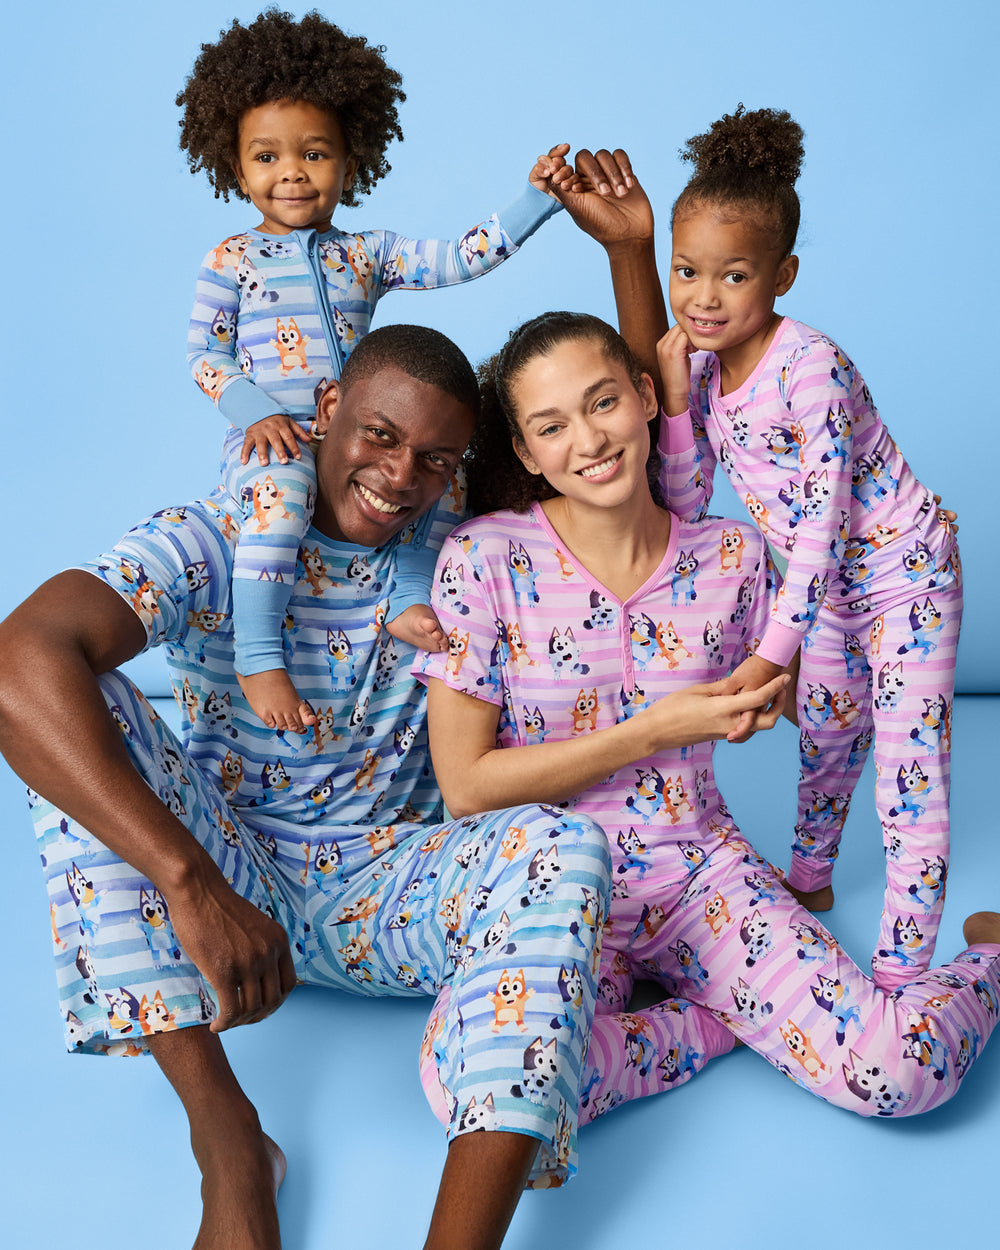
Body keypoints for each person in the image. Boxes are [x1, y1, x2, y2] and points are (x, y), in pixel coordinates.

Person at [0, 324, 613, 1250]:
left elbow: (631, 442)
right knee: (73, 703)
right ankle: (231, 1143)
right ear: (327, 411)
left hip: (394, 885)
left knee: (566, 847)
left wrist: (631, 252)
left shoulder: (462, 544)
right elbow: (16, 664)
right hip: (228, 879)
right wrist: (189, 881)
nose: (402, 476)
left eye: (435, 458)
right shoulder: (214, 537)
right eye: (378, 435)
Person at [416, 298, 1000, 1131]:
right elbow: (467, 789)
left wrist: (907, 586)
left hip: (700, 878)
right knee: (469, 1091)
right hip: (542, 888)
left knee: (894, 1074)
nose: (586, 441)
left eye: (603, 402)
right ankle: (713, 1022)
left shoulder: (732, 556)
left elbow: (828, 711)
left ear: (649, 399)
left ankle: (993, 961)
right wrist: (655, 730)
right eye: (550, 426)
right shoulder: (483, 559)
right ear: (525, 452)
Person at [179, 8, 573, 733]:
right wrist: (253, 413)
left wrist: (536, 203)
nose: (291, 172)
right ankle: (258, 653)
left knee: (446, 476)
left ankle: (407, 597)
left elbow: (458, 257)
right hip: (279, 442)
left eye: (315, 154)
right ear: (235, 166)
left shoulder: (366, 252)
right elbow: (204, 354)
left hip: (363, 435)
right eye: (266, 157)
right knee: (283, 494)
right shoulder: (229, 260)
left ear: (351, 161)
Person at [653, 106, 962, 989]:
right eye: (687, 272)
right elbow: (685, 500)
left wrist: (769, 654)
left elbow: (823, 527)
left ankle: (903, 973)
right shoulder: (706, 371)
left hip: (907, 578)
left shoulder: (809, 365)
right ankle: (812, 881)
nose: (704, 298)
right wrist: (677, 403)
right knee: (826, 733)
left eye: (733, 275)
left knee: (909, 773)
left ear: (781, 275)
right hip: (821, 600)